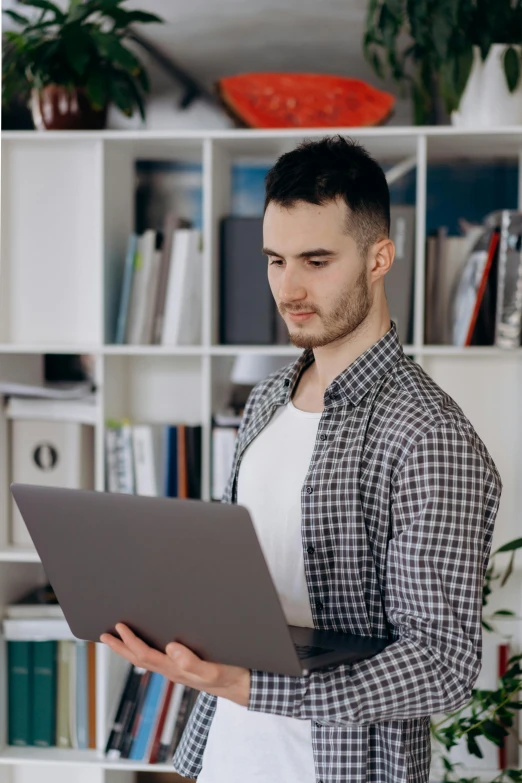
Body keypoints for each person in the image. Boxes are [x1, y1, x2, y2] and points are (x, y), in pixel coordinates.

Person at [101, 135, 502, 783]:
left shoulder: (429, 435)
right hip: (226, 758)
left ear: (380, 257)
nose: (289, 287)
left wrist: (255, 686)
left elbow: (440, 666)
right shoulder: (264, 400)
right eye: (275, 260)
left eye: (316, 260)